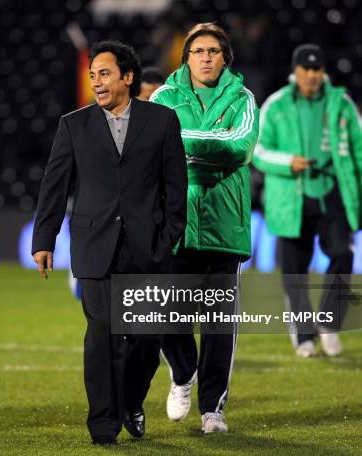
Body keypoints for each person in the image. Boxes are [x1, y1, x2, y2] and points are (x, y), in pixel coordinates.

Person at [32, 41, 187, 445]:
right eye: (92, 76)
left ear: (128, 76)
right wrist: (44, 239)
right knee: (101, 333)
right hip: (94, 244)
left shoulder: (163, 121)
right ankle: (103, 424)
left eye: (104, 74)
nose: (97, 83)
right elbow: (54, 184)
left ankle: (132, 403)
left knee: (145, 340)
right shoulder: (73, 124)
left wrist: (169, 236)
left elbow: (176, 187)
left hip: (147, 247)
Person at [151, 23, 259, 433]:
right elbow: (153, 147)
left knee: (219, 326)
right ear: (187, 57)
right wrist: (213, 143)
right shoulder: (164, 95)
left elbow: (241, 148)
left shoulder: (243, 98)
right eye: (198, 51)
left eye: (214, 51)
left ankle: (212, 408)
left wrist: (181, 143)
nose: (206, 57)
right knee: (164, 316)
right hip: (174, 224)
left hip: (224, 227)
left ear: (225, 58)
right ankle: (182, 374)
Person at [254, 44, 362, 358]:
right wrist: (288, 161)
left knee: (343, 254)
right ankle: (303, 336)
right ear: (296, 71)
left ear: (323, 72)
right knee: (294, 272)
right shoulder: (276, 105)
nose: (312, 75)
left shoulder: (341, 103)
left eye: (317, 69)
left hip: (332, 192)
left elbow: (358, 149)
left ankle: (328, 323)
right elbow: (258, 151)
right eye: (307, 69)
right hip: (291, 197)